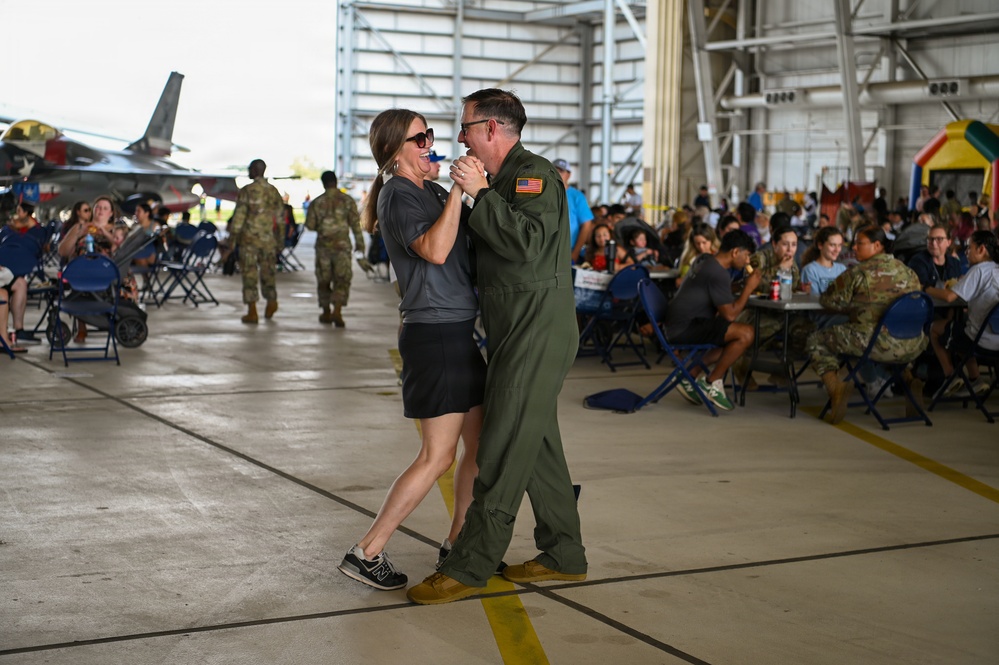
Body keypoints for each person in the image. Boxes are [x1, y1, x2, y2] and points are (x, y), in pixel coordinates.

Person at [407, 88, 586, 605]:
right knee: (538, 448)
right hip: (511, 329)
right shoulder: (497, 180)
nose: (458, 136)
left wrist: (481, 196)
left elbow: (528, 243)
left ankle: (471, 562)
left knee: (502, 447)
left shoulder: (533, 176)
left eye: (465, 126)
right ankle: (563, 553)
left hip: (536, 329)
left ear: (490, 129)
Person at [337, 109, 485, 592]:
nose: (430, 144)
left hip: (459, 330)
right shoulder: (398, 195)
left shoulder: (432, 190)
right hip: (434, 334)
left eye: (430, 136)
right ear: (394, 151)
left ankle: (459, 541)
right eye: (419, 138)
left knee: (480, 448)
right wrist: (462, 192)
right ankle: (367, 551)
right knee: (437, 456)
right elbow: (437, 251)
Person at [806, 225, 926, 424]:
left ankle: (836, 389)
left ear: (877, 245)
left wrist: (854, 305)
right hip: (912, 345)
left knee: (816, 339)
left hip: (876, 345)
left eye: (859, 243)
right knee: (870, 333)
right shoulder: (908, 271)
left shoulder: (859, 273)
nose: (853, 248)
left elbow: (830, 301)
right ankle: (909, 381)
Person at [664, 229, 760, 410]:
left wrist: (739, 286)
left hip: (677, 324)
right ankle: (712, 381)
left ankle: (690, 374)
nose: (748, 261)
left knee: (730, 338)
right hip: (685, 328)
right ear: (735, 252)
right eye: (747, 255)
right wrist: (748, 288)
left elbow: (716, 290)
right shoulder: (719, 273)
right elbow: (730, 314)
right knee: (746, 333)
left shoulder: (707, 261)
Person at [926, 230, 999, 397]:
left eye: (969, 248)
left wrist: (926, 288)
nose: (965, 252)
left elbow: (949, 297)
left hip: (981, 341)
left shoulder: (979, 270)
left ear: (981, 249)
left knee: (935, 329)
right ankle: (975, 380)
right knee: (960, 328)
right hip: (997, 341)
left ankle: (950, 376)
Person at [304, 170, 363, 326]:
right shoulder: (348, 200)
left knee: (323, 280)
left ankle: (326, 311)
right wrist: (360, 244)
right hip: (342, 247)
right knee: (342, 279)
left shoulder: (317, 202)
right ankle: (337, 310)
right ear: (336, 181)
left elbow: (310, 226)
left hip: (323, 247)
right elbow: (356, 226)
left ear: (323, 183)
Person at [229, 159, 284, 324]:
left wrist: (232, 240)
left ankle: (252, 311)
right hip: (268, 241)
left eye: (249, 168)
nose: (248, 171)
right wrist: (280, 241)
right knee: (269, 273)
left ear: (255, 170)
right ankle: (272, 301)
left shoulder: (247, 191)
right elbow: (281, 219)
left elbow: (239, 218)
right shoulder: (273, 191)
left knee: (250, 275)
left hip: (249, 241)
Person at [552, 158, 595, 263]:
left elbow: (586, 224)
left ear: (569, 175)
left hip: (567, 250)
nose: (557, 174)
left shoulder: (577, 196)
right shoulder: (543, 194)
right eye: (553, 171)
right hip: (547, 250)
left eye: (561, 171)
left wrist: (575, 252)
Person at [907, 224, 963, 289]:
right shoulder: (917, 261)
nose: (934, 243)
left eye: (939, 239)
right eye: (930, 239)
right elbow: (921, 288)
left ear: (948, 242)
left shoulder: (955, 263)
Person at [801, 227, 847, 295]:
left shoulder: (842, 269)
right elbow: (814, 298)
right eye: (832, 245)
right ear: (820, 245)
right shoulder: (810, 270)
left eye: (839, 245)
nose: (837, 250)